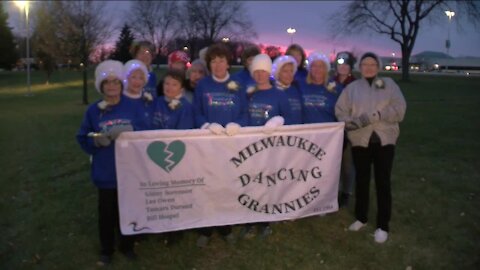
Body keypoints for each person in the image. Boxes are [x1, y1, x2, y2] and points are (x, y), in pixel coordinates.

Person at [76, 60, 144, 265]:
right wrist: (95, 140)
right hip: (106, 171)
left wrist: (132, 132)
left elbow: (146, 133)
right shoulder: (94, 110)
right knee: (106, 213)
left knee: (128, 210)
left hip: (129, 171)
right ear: (101, 86)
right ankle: (107, 249)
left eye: (116, 82)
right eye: (107, 83)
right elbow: (82, 136)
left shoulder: (133, 106)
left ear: (121, 84)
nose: (112, 86)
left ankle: (127, 245)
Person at [335, 52, 406, 244]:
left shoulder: (388, 84)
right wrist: (352, 123)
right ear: (360, 66)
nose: (368, 67)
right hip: (360, 142)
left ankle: (383, 225)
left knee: (383, 182)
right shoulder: (352, 88)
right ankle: (361, 217)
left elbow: (400, 109)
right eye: (365, 64)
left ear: (378, 66)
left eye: (372, 64)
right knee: (362, 181)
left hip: (384, 142)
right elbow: (340, 111)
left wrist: (378, 115)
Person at [193, 43, 248, 247]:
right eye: (213, 61)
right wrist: (206, 124)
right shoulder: (203, 85)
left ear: (228, 62)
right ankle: (205, 229)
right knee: (207, 185)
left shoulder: (237, 84)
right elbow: (196, 112)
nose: (217, 65)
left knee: (227, 184)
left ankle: (226, 227)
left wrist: (237, 124)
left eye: (221, 60)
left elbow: (244, 113)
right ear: (209, 64)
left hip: (230, 144)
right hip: (208, 144)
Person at [240, 54, 293, 239]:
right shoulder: (247, 93)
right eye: (257, 71)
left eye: (263, 71)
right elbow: (240, 115)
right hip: (250, 147)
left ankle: (265, 221)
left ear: (269, 72)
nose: (260, 75)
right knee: (250, 182)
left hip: (271, 148)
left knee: (268, 183)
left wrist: (279, 121)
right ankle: (249, 221)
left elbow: (289, 120)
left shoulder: (279, 95)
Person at [332, 51, 357, 208]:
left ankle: (346, 192)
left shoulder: (355, 85)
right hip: (332, 129)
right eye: (340, 64)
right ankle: (332, 191)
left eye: (346, 65)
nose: (343, 67)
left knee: (347, 165)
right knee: (332, 164)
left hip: (348, 129)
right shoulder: (330, 82)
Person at [299, 52, 342, 124]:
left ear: (326, 69)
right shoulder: (300, 85)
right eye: (314, 66)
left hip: (328, 132)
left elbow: (343, 111)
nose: (317, 69)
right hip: (305, 132)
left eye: (321, 66)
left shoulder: (336, 88)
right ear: (310, 68)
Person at [122, 59, 155, 130]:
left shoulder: (148, 100)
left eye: (141, 78)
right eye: (133, 77)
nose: (137, 81)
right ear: (126, 78)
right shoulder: (119, 99)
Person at [271, 55, 303, 124]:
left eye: (291, 71)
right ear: (278, 73)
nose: (289, 74)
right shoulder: (272, 91)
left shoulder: (296, 90)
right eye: (285, 71)